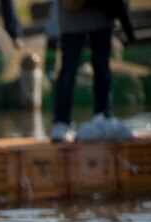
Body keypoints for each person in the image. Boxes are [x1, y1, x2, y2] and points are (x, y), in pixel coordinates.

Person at [48, 0, 120, 142]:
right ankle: (61, 122)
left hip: (101, 12)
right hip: (71, 13)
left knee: (102, 66)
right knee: (68, 70)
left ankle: (104, 116)